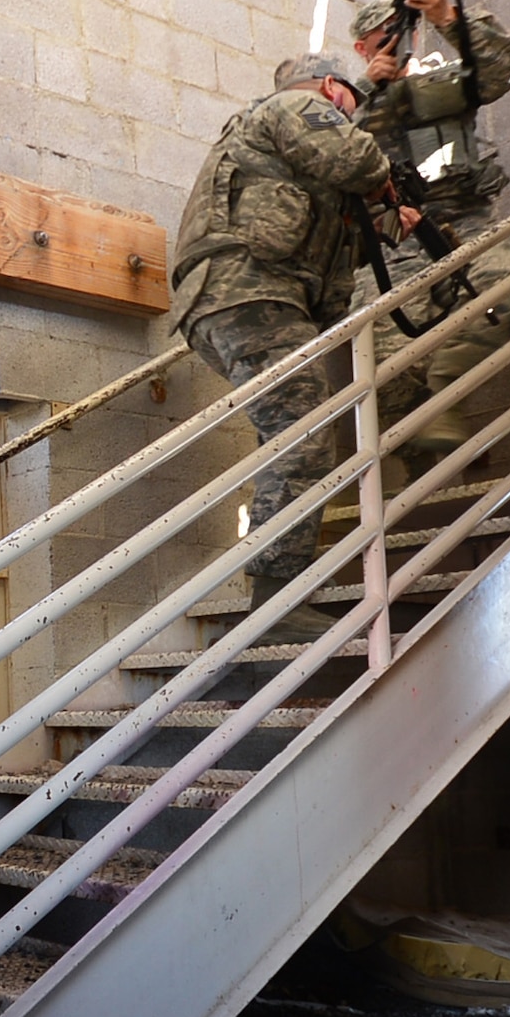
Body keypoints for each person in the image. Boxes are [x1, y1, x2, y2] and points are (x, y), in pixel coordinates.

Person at [171, 53, 407, 643]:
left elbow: (323, 252)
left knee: (292, 429)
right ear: (332, 88)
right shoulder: (300, 106)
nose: (351, 115)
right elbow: (355, 157)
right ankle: (276, 603)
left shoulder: (286, 155)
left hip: (236, 299)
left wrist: (381, 223)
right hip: (247, 293)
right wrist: (381, 176)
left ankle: (275, 597)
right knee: (303, 429)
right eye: (350, 102)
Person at [346, 0, 510, 456]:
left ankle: (445, 386)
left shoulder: (446, 78)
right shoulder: (351, 101)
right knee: (384, 364)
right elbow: (321, 150)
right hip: (392, 241)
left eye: (401, 30)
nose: (394, 41)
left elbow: (499, 70)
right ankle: (420, 477)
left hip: (464, 222)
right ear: (361, 46)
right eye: (381, 35)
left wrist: (450, 18)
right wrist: (369, 89)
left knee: (505, 300)